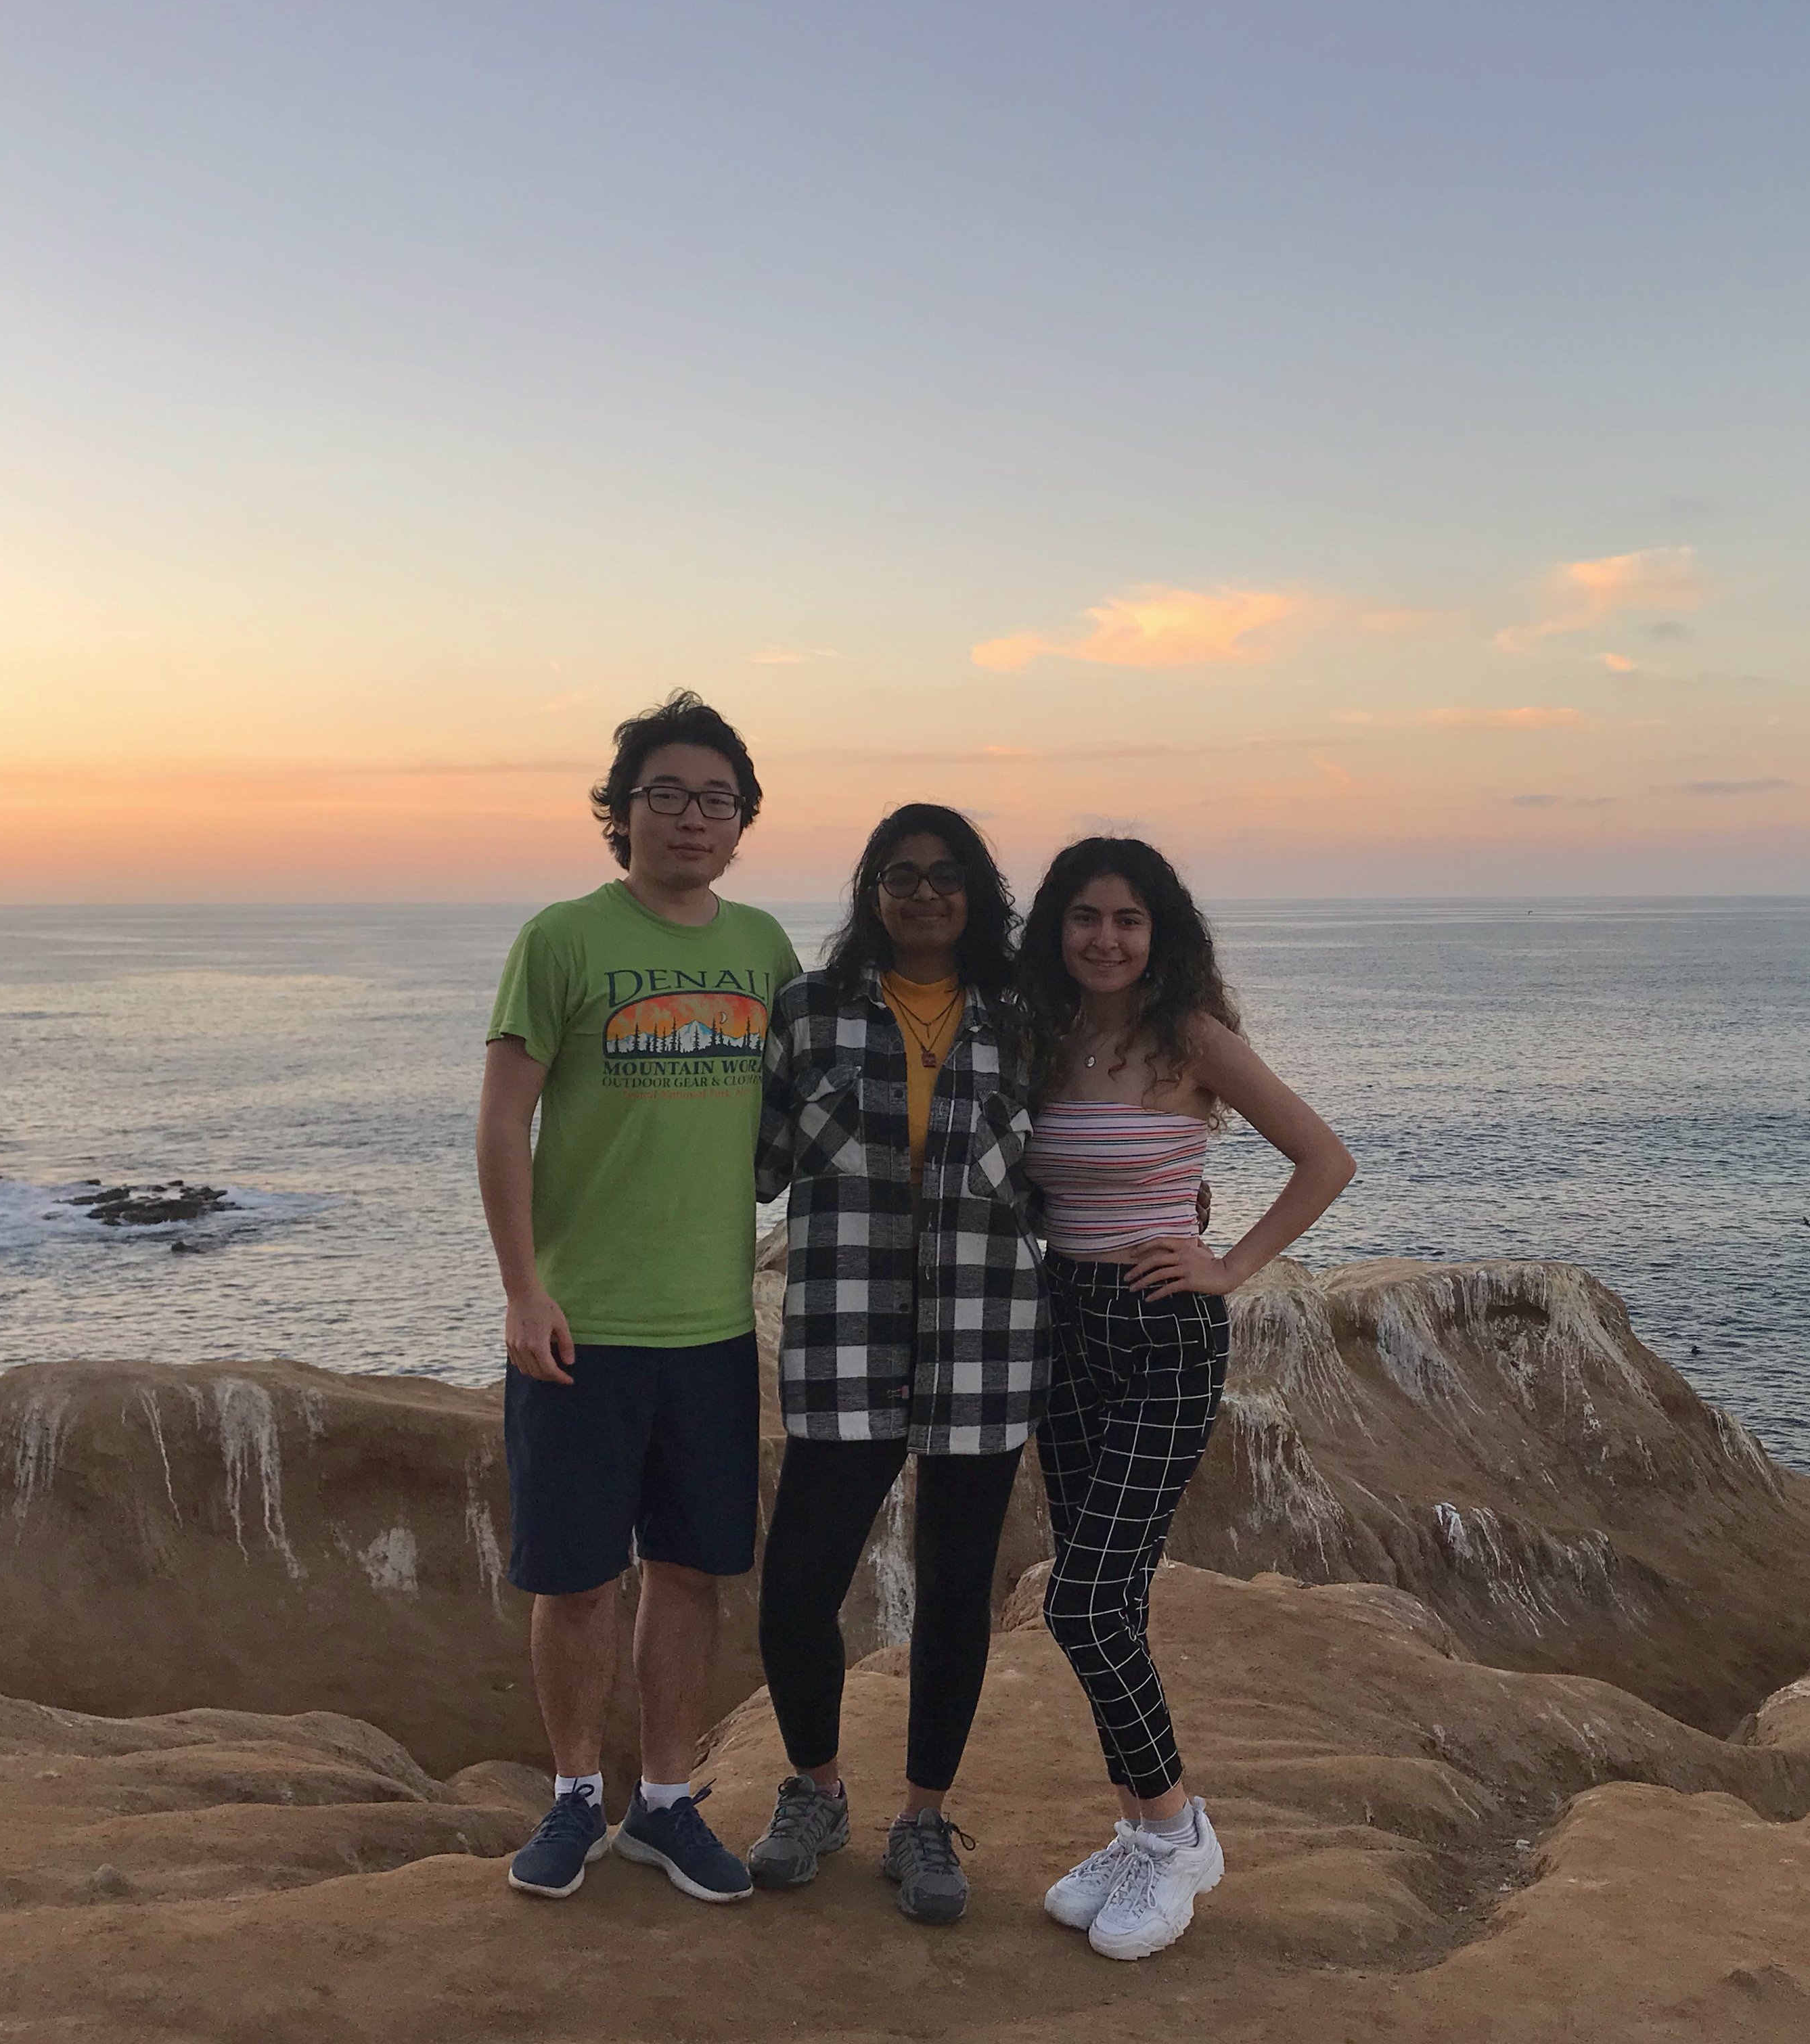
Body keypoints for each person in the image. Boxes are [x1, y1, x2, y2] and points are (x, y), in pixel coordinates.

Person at [478, 691, 802, 1907]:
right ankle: (572, 1799)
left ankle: (666, 1803)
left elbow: (846, 1104)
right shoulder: (560, 941)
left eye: (717, 800)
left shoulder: (766, 952)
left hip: (714, 1327)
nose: (691, 818)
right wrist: (523, 1289)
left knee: (691, 1570)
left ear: (741, 822)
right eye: (665, 795)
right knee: (573, 1577)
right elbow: (505, 1117)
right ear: (620, 815)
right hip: (581, 1325)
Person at [1016, 837, 1354, 1961]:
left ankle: (1177, 1830)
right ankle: (1136, 1828)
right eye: (1083, 917)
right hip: (1063, 1331)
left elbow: (1323, 1159)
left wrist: (1229, 1262)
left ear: (1160, 935)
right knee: (1106, 1601)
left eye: (1126, 919)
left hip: (1164, 1335)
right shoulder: (1040, 1039)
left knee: (1082, 1599)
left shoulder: (1193, 1042)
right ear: (1055, 930)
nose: (1103, 939)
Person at [744, 804, 1048, 1924]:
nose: (925, 893)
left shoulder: (1025, 1019)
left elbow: (1074, 1156)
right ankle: (817, 1791)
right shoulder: (810, 1013)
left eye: (947, 875)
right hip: (844, 1334)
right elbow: (752, 1163)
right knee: (795, 1592)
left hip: (984, 1336)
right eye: (900, 874)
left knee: (956, 1591)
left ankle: (922, 1818)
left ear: (980, 894)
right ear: (871, 892)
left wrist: (1179, 1200)